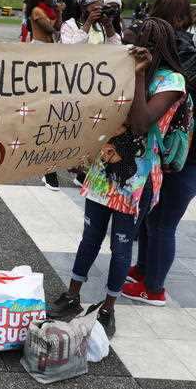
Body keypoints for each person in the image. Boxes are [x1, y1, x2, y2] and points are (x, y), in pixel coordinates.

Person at [48, 17, 190, 337]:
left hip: (136, 180)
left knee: (121, 246)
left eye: (138, 42)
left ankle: (108, 309)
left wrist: (138, 75)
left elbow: (141, 122)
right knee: (89, 237)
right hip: (104, 170)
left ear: (154, 48)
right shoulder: (124, 65)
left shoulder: (171, 81)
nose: (131, 48)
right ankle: (72, 295)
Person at [122, 0, 196, 306]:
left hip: (185, 157)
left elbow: (150, 115)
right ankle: (142, 269)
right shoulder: (185, 52)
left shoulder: (176, 65)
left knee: (164, 222)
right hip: (178, 155)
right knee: (155, 217)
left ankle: (154, 288)